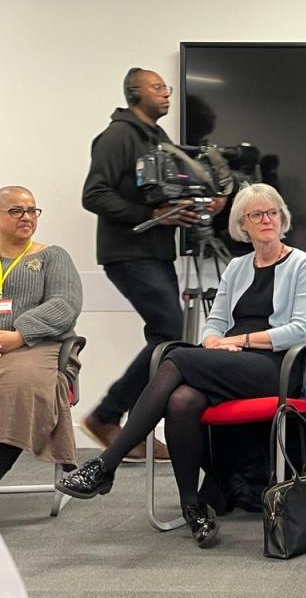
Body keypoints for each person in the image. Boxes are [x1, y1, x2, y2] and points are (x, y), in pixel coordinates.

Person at [57, 183, 306, 548]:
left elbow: (299, 330)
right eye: (256, 215)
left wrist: (235, 342)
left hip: (273, 366)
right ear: (242, 224)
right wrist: (213, 340)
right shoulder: (238, 267)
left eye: (272, 212)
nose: (266, 220)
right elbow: (217, 319)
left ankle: (105, 466)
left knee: (174, 356)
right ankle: (192, 506)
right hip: (229, 362)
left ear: (282, 217)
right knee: (181, 400)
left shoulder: (300, 264)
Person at [80, 67, 204, 461]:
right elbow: (93, 194)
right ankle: (106, 416)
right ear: (135, 92)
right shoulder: (117, 136)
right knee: (169, 330)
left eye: (167, 87)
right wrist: (151, 214)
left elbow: (164, 190)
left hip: (155, 252)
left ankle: (134, 428)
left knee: (170, 337)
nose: (166, 93)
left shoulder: (157, 137)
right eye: (157, 87)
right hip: (128, 252)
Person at [0, 186, 82, 480]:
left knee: (20, 385)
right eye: (16, 210)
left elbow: (65, 305)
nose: (27, 217)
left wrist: (19, 334)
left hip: (38, 346)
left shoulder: (53, 257)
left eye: (31, 210)